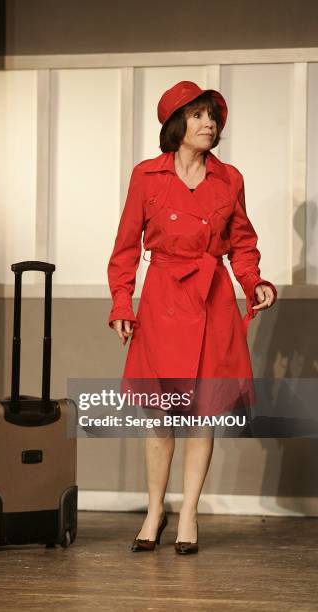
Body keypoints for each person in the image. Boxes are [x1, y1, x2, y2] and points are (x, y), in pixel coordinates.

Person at [107, 81, 277, 555]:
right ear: (176, 124)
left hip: (212, 301)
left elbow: (242, 243)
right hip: (162, 299)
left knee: (203, 414)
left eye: (213, 117)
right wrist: (122, 303)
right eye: (199, 115)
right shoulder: (146, 176)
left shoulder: (229, 178)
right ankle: (155, 511)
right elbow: (124, 247)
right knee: (159, 415)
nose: (209, 124)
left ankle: (188, 515)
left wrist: (254, 283)